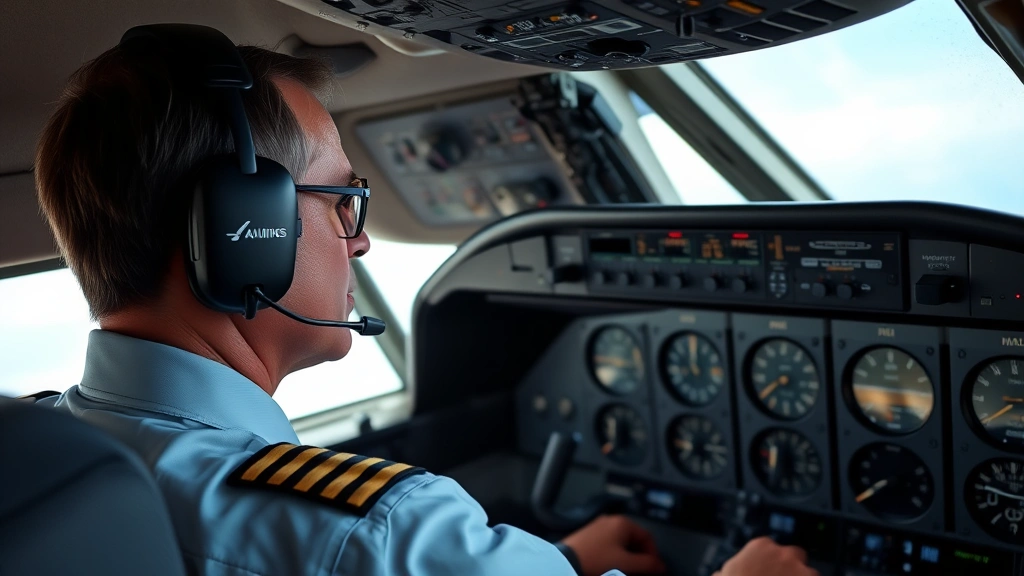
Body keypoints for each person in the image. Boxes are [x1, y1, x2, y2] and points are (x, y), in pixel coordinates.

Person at [32, 24, 818, 576]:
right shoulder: (375, 533)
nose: (361, 241)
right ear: (246, 232)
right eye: (342, 202)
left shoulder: (43, 457)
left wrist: (566, 563)